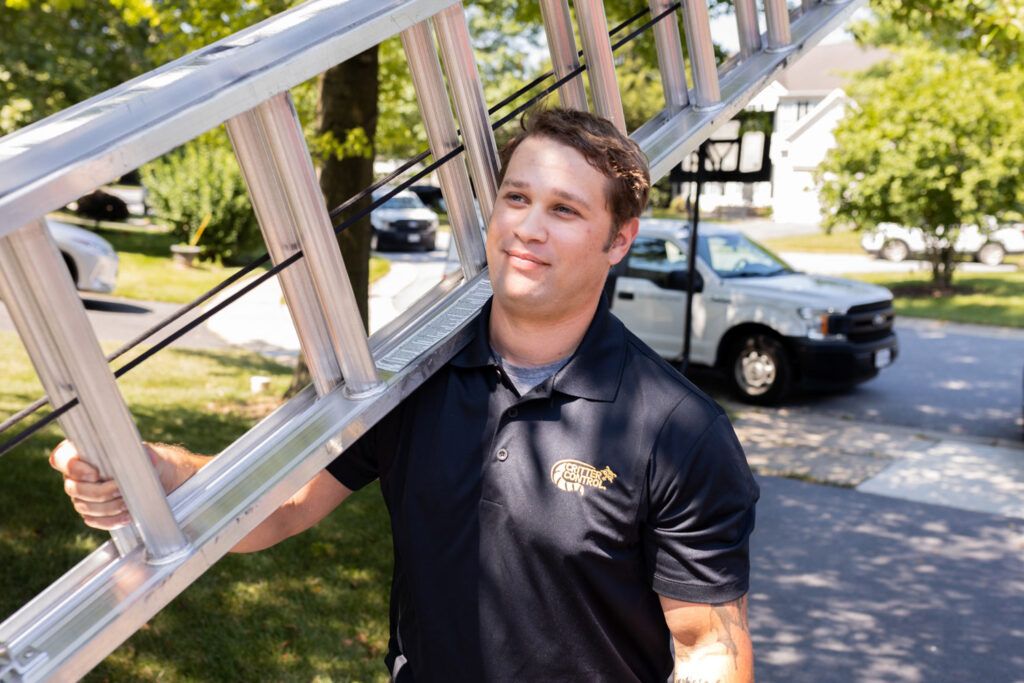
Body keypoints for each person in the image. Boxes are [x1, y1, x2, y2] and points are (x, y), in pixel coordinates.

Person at [51, 108, 759, 682]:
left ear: (619, 240)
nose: (527, 227)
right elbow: (281, 508)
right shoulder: (410, 378)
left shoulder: (675, 430)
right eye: (516, 197)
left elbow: (708, 647)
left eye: (565, 210)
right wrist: (158, 473)